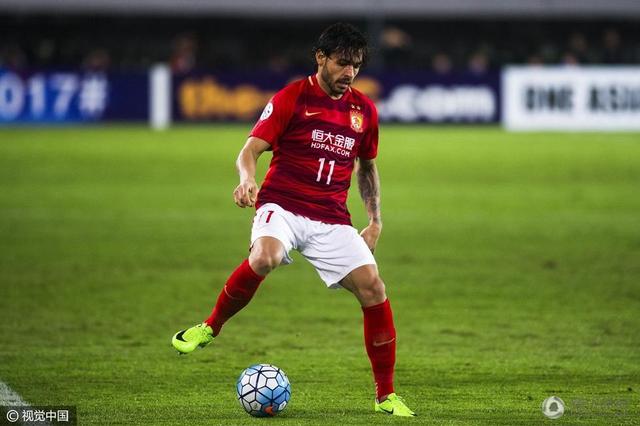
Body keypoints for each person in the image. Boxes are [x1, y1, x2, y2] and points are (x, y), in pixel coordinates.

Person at [172, 22, 416, 417]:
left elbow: (366, 168)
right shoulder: (293, 97)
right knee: (265, 256)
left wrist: (375, 219)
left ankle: (385, 395)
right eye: (341, 63)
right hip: (282, 205)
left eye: (355, 65)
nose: (349, 73)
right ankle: (209, 327)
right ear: (320, 58)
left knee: (374, 287)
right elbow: (250, 149)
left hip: (331, 217)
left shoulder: (363, 111)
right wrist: (247, 180)